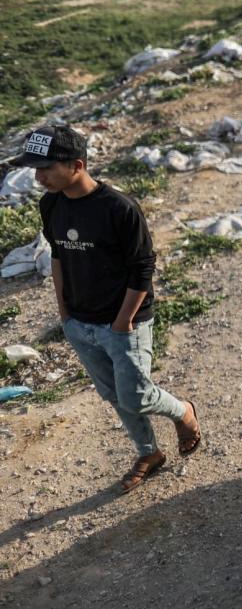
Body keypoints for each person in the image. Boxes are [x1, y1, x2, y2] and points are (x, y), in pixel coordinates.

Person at [18, 125, 201, 494]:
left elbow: (142, 269)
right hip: (80, 321)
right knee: (115, 395)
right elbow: (58, 255)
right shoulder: (51, 203)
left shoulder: (119, 209)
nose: (38, 178)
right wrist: (64, 313)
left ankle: (184, 413)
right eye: (34, 169)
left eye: (46, 169)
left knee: (137, 395)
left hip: (124, 323)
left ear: (77, 165)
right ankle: (148, 452)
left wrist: (123, 322)